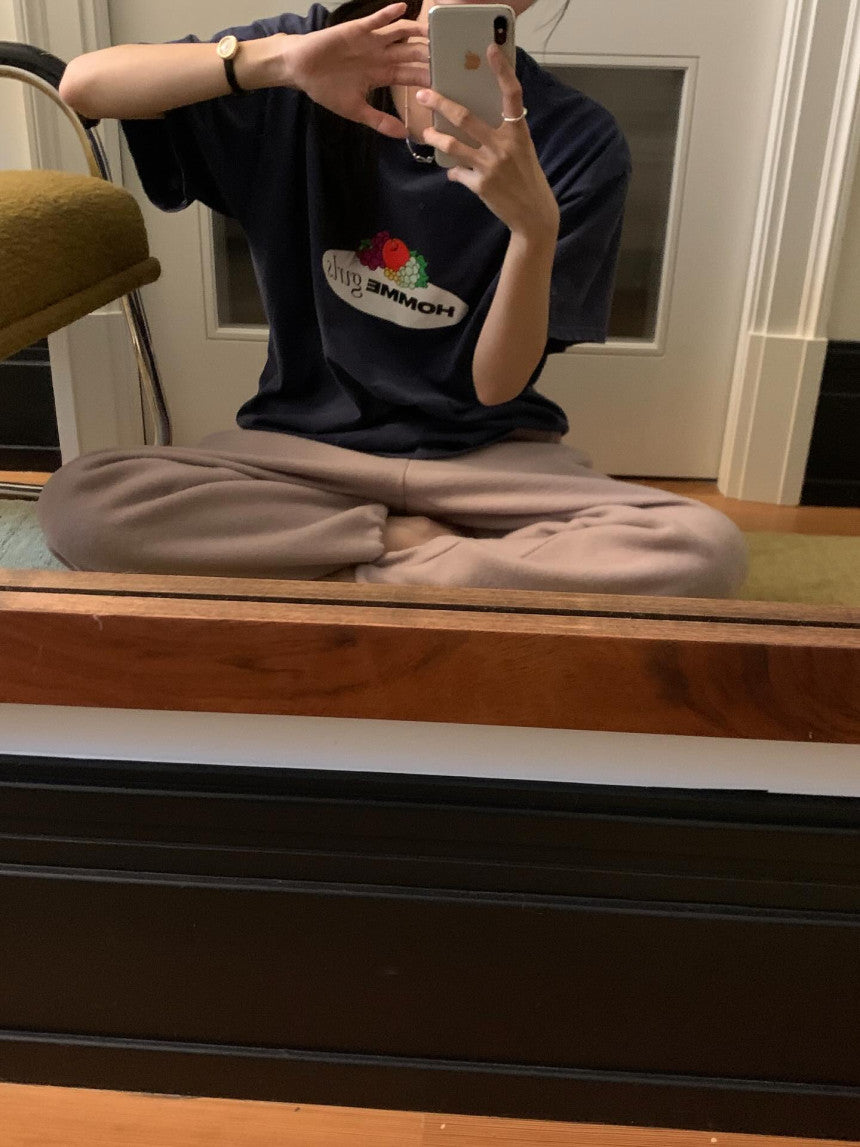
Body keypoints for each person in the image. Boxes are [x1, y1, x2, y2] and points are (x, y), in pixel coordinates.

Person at [39, 0, 748, 597]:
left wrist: (534, 231)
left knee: (700, 547)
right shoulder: (309, 54)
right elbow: (84, 85)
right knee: (82, 503)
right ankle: (427, 558)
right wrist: (277, 62)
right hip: (303, 452)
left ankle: (334, 571)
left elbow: (495, 386)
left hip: (489, 460)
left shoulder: (577, 139)